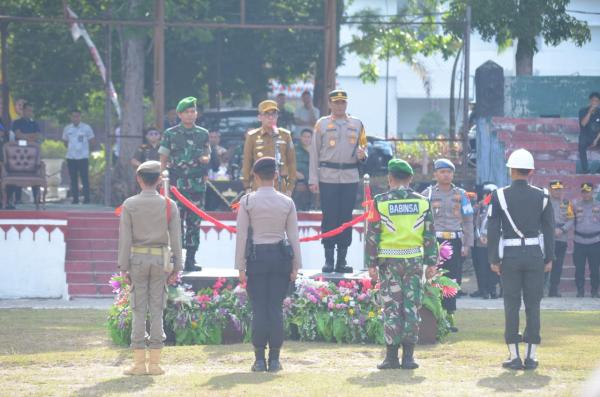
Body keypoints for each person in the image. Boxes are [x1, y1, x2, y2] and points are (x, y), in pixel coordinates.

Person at [366, 159, 438, 370]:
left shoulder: (380, 201)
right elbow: (430, 234)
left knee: (391, 307)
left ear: (390, 178)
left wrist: (371, 263)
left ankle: (390, 357)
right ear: (410, 179)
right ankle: (409, 357)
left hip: (389, 262)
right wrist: (432, 262)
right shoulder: (422, 202)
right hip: (414, 261)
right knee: (411, 306)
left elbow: (372, 235)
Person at [487, 148, 555, 370]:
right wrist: (549, 258)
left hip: (510, 256)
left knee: (511, 305)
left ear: (511, 171)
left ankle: (514, 356)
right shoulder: (543, 196)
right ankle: (532, 356)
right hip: (535, 255)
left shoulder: (499, 195)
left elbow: (493, 231)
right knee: (533, 305)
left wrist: (494, 258)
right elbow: (550, 230)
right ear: (531, 171)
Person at [235, 157, 301, 373]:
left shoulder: (247, 201)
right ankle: (274, 359)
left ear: (254, 175)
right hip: (281, 258)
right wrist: (295, 267)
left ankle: (259, 359)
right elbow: (293, 237)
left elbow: (242, 236)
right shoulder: (287, 202)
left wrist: (240, 267)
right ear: (275, 175)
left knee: (259, 309)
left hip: (256, 259)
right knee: (275, 308)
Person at [118, 160, 183, 376]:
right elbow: (176, 239)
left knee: (138, 309)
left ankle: (138, 364)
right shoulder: (168, 205)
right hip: (160, 261)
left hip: (137, 260)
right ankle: (155, 363)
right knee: (157, 309)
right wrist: (178, 266)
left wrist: (123, 267)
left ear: (138, 178)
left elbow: (125, 239)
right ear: (159, 180)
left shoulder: (129, 204)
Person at [308, 89, 368, 273]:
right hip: (328, 176)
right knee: (329, 217)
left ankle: (342, 260)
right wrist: (313, 179)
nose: (340, 105)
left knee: (345, 218)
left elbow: (364, 150)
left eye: (343, 102)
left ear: (347, 104)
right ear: (330, 104)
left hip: (349, 176)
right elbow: (314, 153)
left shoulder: (357, 124)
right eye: (336, 102)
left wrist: (362, 155)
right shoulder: (322, 124)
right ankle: (329, 259)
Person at [159, 97, 211, 272]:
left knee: (194, 224)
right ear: (180, 114)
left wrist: (203, 159)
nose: (190, 115)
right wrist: (161, 177)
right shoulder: (170, 133)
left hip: (196, 186)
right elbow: (163, 158)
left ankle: (191, 259)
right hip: (176, 186)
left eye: (193, 111)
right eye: (187, 112)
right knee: (175, 223)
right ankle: (176, 259)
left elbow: (207, 155)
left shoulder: (203, 133)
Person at [421, 159, 473, 331]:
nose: (446, 175)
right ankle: (434, 316)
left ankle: (449, 317)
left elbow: (468, 221)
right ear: (435, 174)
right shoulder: (426, 194)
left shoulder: (462, 195)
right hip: (434, 242)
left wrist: (467, 244)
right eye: (442, 171)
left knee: (452, 279)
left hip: (454, 240)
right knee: (432, 278)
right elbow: (420, 220)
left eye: (449, 172)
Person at [241, 100, 296, 195]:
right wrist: (247, 186)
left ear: (277, 116)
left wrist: (290, 187)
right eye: (266, 114)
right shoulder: (252, 136)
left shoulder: (285, 135)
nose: (271, 118)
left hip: (279, 184)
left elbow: (291, 163)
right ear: (260, 117)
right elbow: (247, 162)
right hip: (258, 183)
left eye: (274, 114)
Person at [10, 102, 42, 205]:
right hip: (19, 154)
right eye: (28, 110)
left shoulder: (34, 123)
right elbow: (18, 135)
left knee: (35, 173)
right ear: (23, 111)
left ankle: (36, 199)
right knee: (18, 174)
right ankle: (17, 199)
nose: (30, 113)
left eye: (31, 111)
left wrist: (26, 136)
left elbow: (37, 136)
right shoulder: (17, 122)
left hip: (33, 154)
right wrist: (30, 137)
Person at [471, 183, 499, 299]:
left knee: (493, 267)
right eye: (485, 194)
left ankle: (493, 290)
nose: (486, 196)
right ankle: (484, 291)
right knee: (482, 267)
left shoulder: (500, 208)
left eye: (489, 194)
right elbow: (475, 224)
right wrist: (479, 237)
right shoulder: (480, 207)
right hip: (480, 242)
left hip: (494, 242)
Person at [572, 182, 600, 298]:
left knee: (595, 269)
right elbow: (570, 221)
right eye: (583, 191)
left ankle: (594, 291)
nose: (586, 194)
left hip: (595, 241)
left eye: (588, 191)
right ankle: (580, 291)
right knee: (579, 269)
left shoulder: (598, 205)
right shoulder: (575, 205)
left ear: (592, 192)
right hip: (579, 241)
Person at [547, 180, 574, 297]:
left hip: (561, 238)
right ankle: (540, 289)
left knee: (557, 266)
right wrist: (550, 230)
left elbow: (571, 220)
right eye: (555, 189)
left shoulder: (566, 203)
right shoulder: (545, 202)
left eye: (559, 189)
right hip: (547, 237)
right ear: (550, 189)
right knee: (544, 264)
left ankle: (553, 289)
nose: (557, 191)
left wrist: (562, 230)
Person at [62, 110, 95, 204]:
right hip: (71, 157)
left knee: (85, 178)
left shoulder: (86, 128)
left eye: (77, 116)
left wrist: (86, 150)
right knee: (73, 179)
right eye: (73, 116)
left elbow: (92, 141)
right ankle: (75, 199)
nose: (75, 118)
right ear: (71, 117)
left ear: (80, 117)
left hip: (83, 157)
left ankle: (87, 199)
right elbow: (65, 142)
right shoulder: (67, 128)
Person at [578, 92, 600, 174]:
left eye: (597, 101)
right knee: (581, 144)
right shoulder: (583, 111)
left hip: (597, 136)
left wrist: (596, 140)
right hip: (586, 136)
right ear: (590, 101)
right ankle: (585, 168)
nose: (594, 103)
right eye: (593, 101)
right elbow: (583, 124)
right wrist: (590, 112)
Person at [292, 128, 312, 211]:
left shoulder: (315, 150)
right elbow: (289, 163)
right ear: (300, 137)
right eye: (304, 137)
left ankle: (312, 208)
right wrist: (295, 173)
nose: (306, 139)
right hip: (297, 176)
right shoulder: (294, 149)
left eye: (308, 137)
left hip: (311, 177)